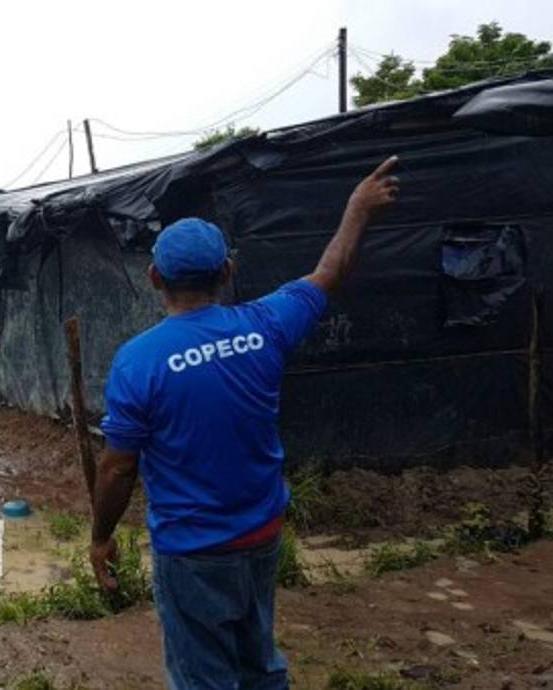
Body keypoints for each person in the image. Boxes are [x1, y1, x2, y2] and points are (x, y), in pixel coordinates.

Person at [89, 157, 401, 689]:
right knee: (258, 661)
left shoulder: (138, 361)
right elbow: (330, 271)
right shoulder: (265, 326)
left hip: (191, 551)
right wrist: (356, 208)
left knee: (203, 675)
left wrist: (100, 537)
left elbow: (119, 469)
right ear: (227, 270)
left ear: (154, 277)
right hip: (261, 536)